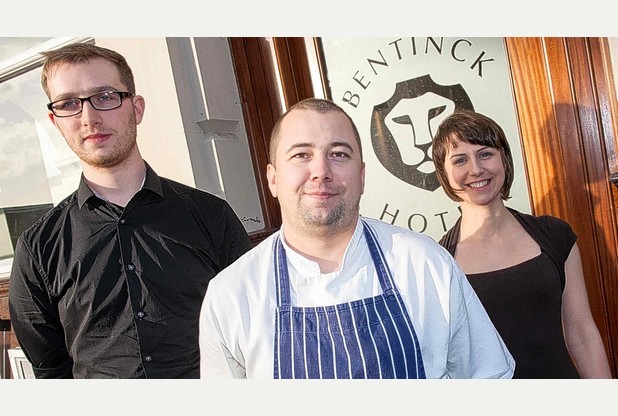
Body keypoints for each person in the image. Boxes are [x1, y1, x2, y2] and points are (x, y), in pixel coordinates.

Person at [198, 97, 515, 379]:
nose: (321, 171)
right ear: (273, 179)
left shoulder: (424, 264)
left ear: (362, 176)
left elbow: (488, 378)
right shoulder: (232, 294)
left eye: (338, 154)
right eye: (301, 155)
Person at [8, 43, 253, 379]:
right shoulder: (38, 249)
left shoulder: (210, 216)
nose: (89, 117)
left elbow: (256, 333)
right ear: (55, 121)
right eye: (69, 104)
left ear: (136, 108)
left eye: (105, 96)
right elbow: (52, 371)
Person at [432, 109, 612, 378]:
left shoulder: (554, 235)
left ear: (504, 160)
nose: (476, 169)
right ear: (445, 175)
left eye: (485, 154)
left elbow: (583, 335)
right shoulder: (439, 262)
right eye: (460, 160)